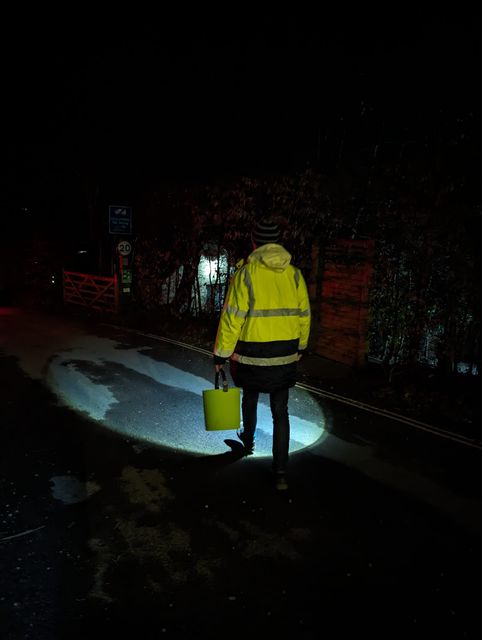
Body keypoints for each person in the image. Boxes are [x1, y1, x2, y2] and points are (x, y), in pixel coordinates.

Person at [213, 218, 311, 491]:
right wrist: (301, 347)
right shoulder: (294, 275)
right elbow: (304, 315)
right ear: (278, 243)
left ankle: (248, 442)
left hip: (251, 354)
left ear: (255, 243)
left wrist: (220, 355)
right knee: (281, 411)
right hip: (284, 355)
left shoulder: (245, 274)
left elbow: (232, 319)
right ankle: (280, 473)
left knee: (251, 397)